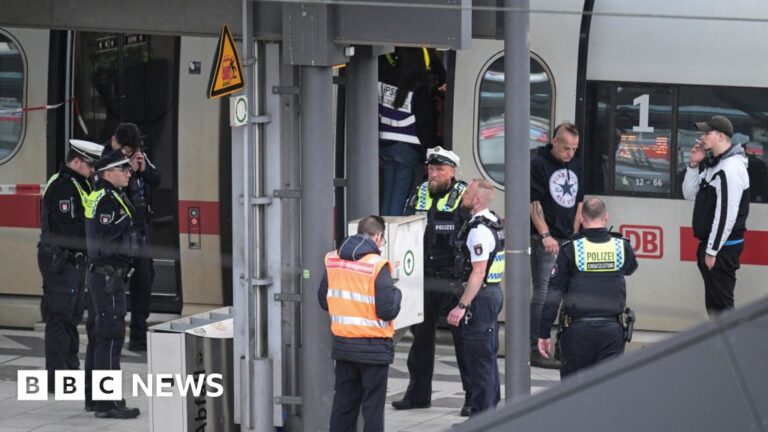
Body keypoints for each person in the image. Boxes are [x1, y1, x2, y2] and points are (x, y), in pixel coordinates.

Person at [392, 146, 472, 416]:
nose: (434, 174)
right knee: (421, 341)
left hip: (454, 279)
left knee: (463, 342)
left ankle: (472, 396)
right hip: (423, 277)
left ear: (452, 171)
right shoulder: (419, 193)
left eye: (440, 169)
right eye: (431, 168)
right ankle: (418, 395)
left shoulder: (464, 194)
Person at [318, 215, 402, 432]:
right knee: (372, 407)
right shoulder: (377, 265)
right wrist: (397, 293)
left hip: (344, 345)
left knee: (344, 404)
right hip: (374, 348)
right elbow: (387, 310)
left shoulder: (333, 259)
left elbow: (324, 299)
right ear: (379, 236)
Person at [537, 197, 638, 378]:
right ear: (606, 216)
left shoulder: (571, 248)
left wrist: (544, 332)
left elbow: (554, 294)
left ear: (581, 219)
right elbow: (630, 268)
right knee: (609, 387)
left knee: (574, 389)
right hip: (611, 331)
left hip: (577, 332)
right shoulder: (621, 246)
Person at [37, 140, 102, 391]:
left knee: (72, 317)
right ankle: (56, 377)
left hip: (73, 261)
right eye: (90, 165)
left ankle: (70, 370)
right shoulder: (64, 186)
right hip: (60, 261)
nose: (93, 170)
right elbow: (70, 228)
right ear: (76, 161)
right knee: (59, 317)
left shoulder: (80, 183)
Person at [83, 150, 141, 419]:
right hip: (108, 275)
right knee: (111, 337)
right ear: (108, 173)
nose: (129, 174)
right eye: (124, 170)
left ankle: (96, 398)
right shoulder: (106, 199)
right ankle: (108, 403)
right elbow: (106, 237)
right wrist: (128, 220)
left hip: (103, 275)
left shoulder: (106, 195)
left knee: (100, 337)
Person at [447, 179, 505, 416]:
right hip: (491, 293)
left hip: (480, 297)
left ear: (477, 200)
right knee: (487, 357)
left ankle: (481, 416)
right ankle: (490, 410)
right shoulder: (493, 220)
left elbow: (478, 272)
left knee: (479, 360)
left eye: (467, 193)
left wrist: (462, 305)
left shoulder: (478, 230)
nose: (463, 196)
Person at [529, 122, 584, 369]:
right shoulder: (538, 164)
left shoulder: (576, 165)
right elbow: (533, 203)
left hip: (569, 238)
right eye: (566, 148)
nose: (570, 153)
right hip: (545, 238)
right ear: (554, 141)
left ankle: (562, 347)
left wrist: (575, 235)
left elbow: (579, 202)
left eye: (574, 149)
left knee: (568, 294)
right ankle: (534, 347)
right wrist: (545, 235)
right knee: (544, 293)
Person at [682, 115, 750, 316]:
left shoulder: (730, 168)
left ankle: (731, 338)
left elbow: (726, 214)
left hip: (722, 249)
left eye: (707, 133)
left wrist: (712, 251)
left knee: (721, 308)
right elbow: (689, 193)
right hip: (714, 246)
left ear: (720, 136)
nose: (702, 137)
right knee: (716, 305)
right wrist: (694, 164)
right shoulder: (716, 165)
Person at [102, 122, 161, 351]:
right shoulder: (105, 159)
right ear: (114, 141)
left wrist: (143, 169)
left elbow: (156, 179)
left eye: (131, 151)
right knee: (115, 286)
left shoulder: (139, 156)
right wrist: (128, 170)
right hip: (119, 235)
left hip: (140, 233)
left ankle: (138, 337)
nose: (127, 155)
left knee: (143, 283)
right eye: (125, 150)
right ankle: (112, 337)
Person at [379, 47, 444, 216]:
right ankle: (392, 229)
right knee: (400, 196)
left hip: (385, 143)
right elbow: (424, 125)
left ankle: (383, 225)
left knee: (388, 193)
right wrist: (429, 153)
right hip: (407, 147)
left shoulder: (384, 78)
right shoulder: (419, 87)